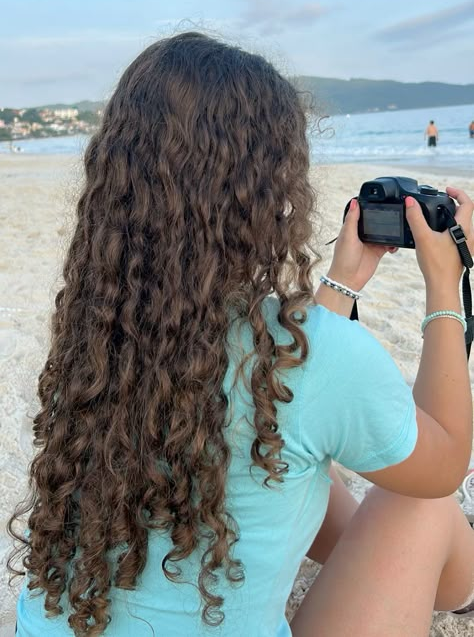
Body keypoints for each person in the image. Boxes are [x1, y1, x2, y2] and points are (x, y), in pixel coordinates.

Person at [7, 32, 474, 637]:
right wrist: (447, 286)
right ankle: (462, 594)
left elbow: (289, 387)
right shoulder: (311, 357)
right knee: (423, 504)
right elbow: (446, 463)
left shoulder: (99, 332)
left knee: (290, 447)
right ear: (268, 191)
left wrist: (342, 286)